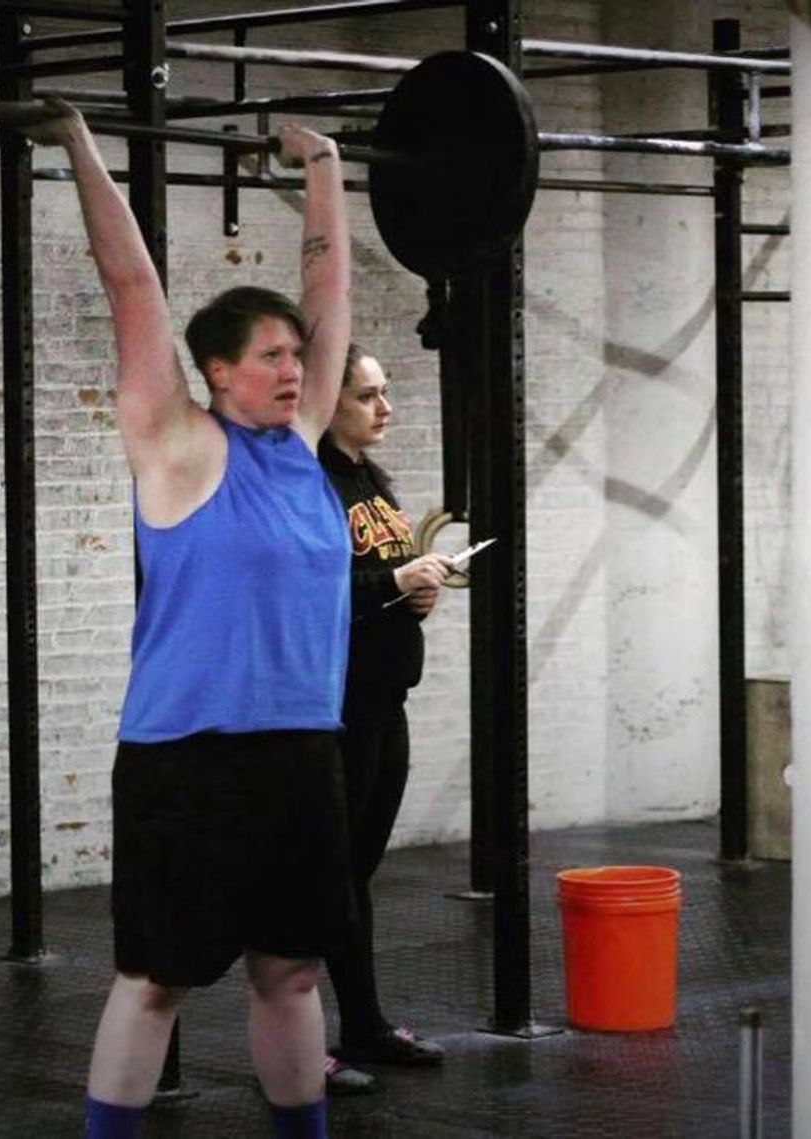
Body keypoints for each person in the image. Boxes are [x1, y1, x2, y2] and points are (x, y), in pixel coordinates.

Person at [21, 99, 353, 1139]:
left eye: (296, 354)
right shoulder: (176, 443)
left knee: (293, 974)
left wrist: (325, 163)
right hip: (187, 755)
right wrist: (77, 143)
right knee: (157, 980)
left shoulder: (300, 444)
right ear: (215, 370)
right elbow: (131, 284)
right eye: (268, 355)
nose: (293, 367)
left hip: (300, 748)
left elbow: (328, 286)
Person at [317, 345, 453, 1095]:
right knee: (328, 877)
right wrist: (389, 582)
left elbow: (373, 577)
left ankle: (363, 1022)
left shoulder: (370, 478)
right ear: (328, 400)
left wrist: (415, 589)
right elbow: (309, 587)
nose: (384, 406)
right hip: (338, 706)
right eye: (367, 394)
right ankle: (309, 1039)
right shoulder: (312, 479)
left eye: (384, 390)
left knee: (356, 874)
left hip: (383, 699)